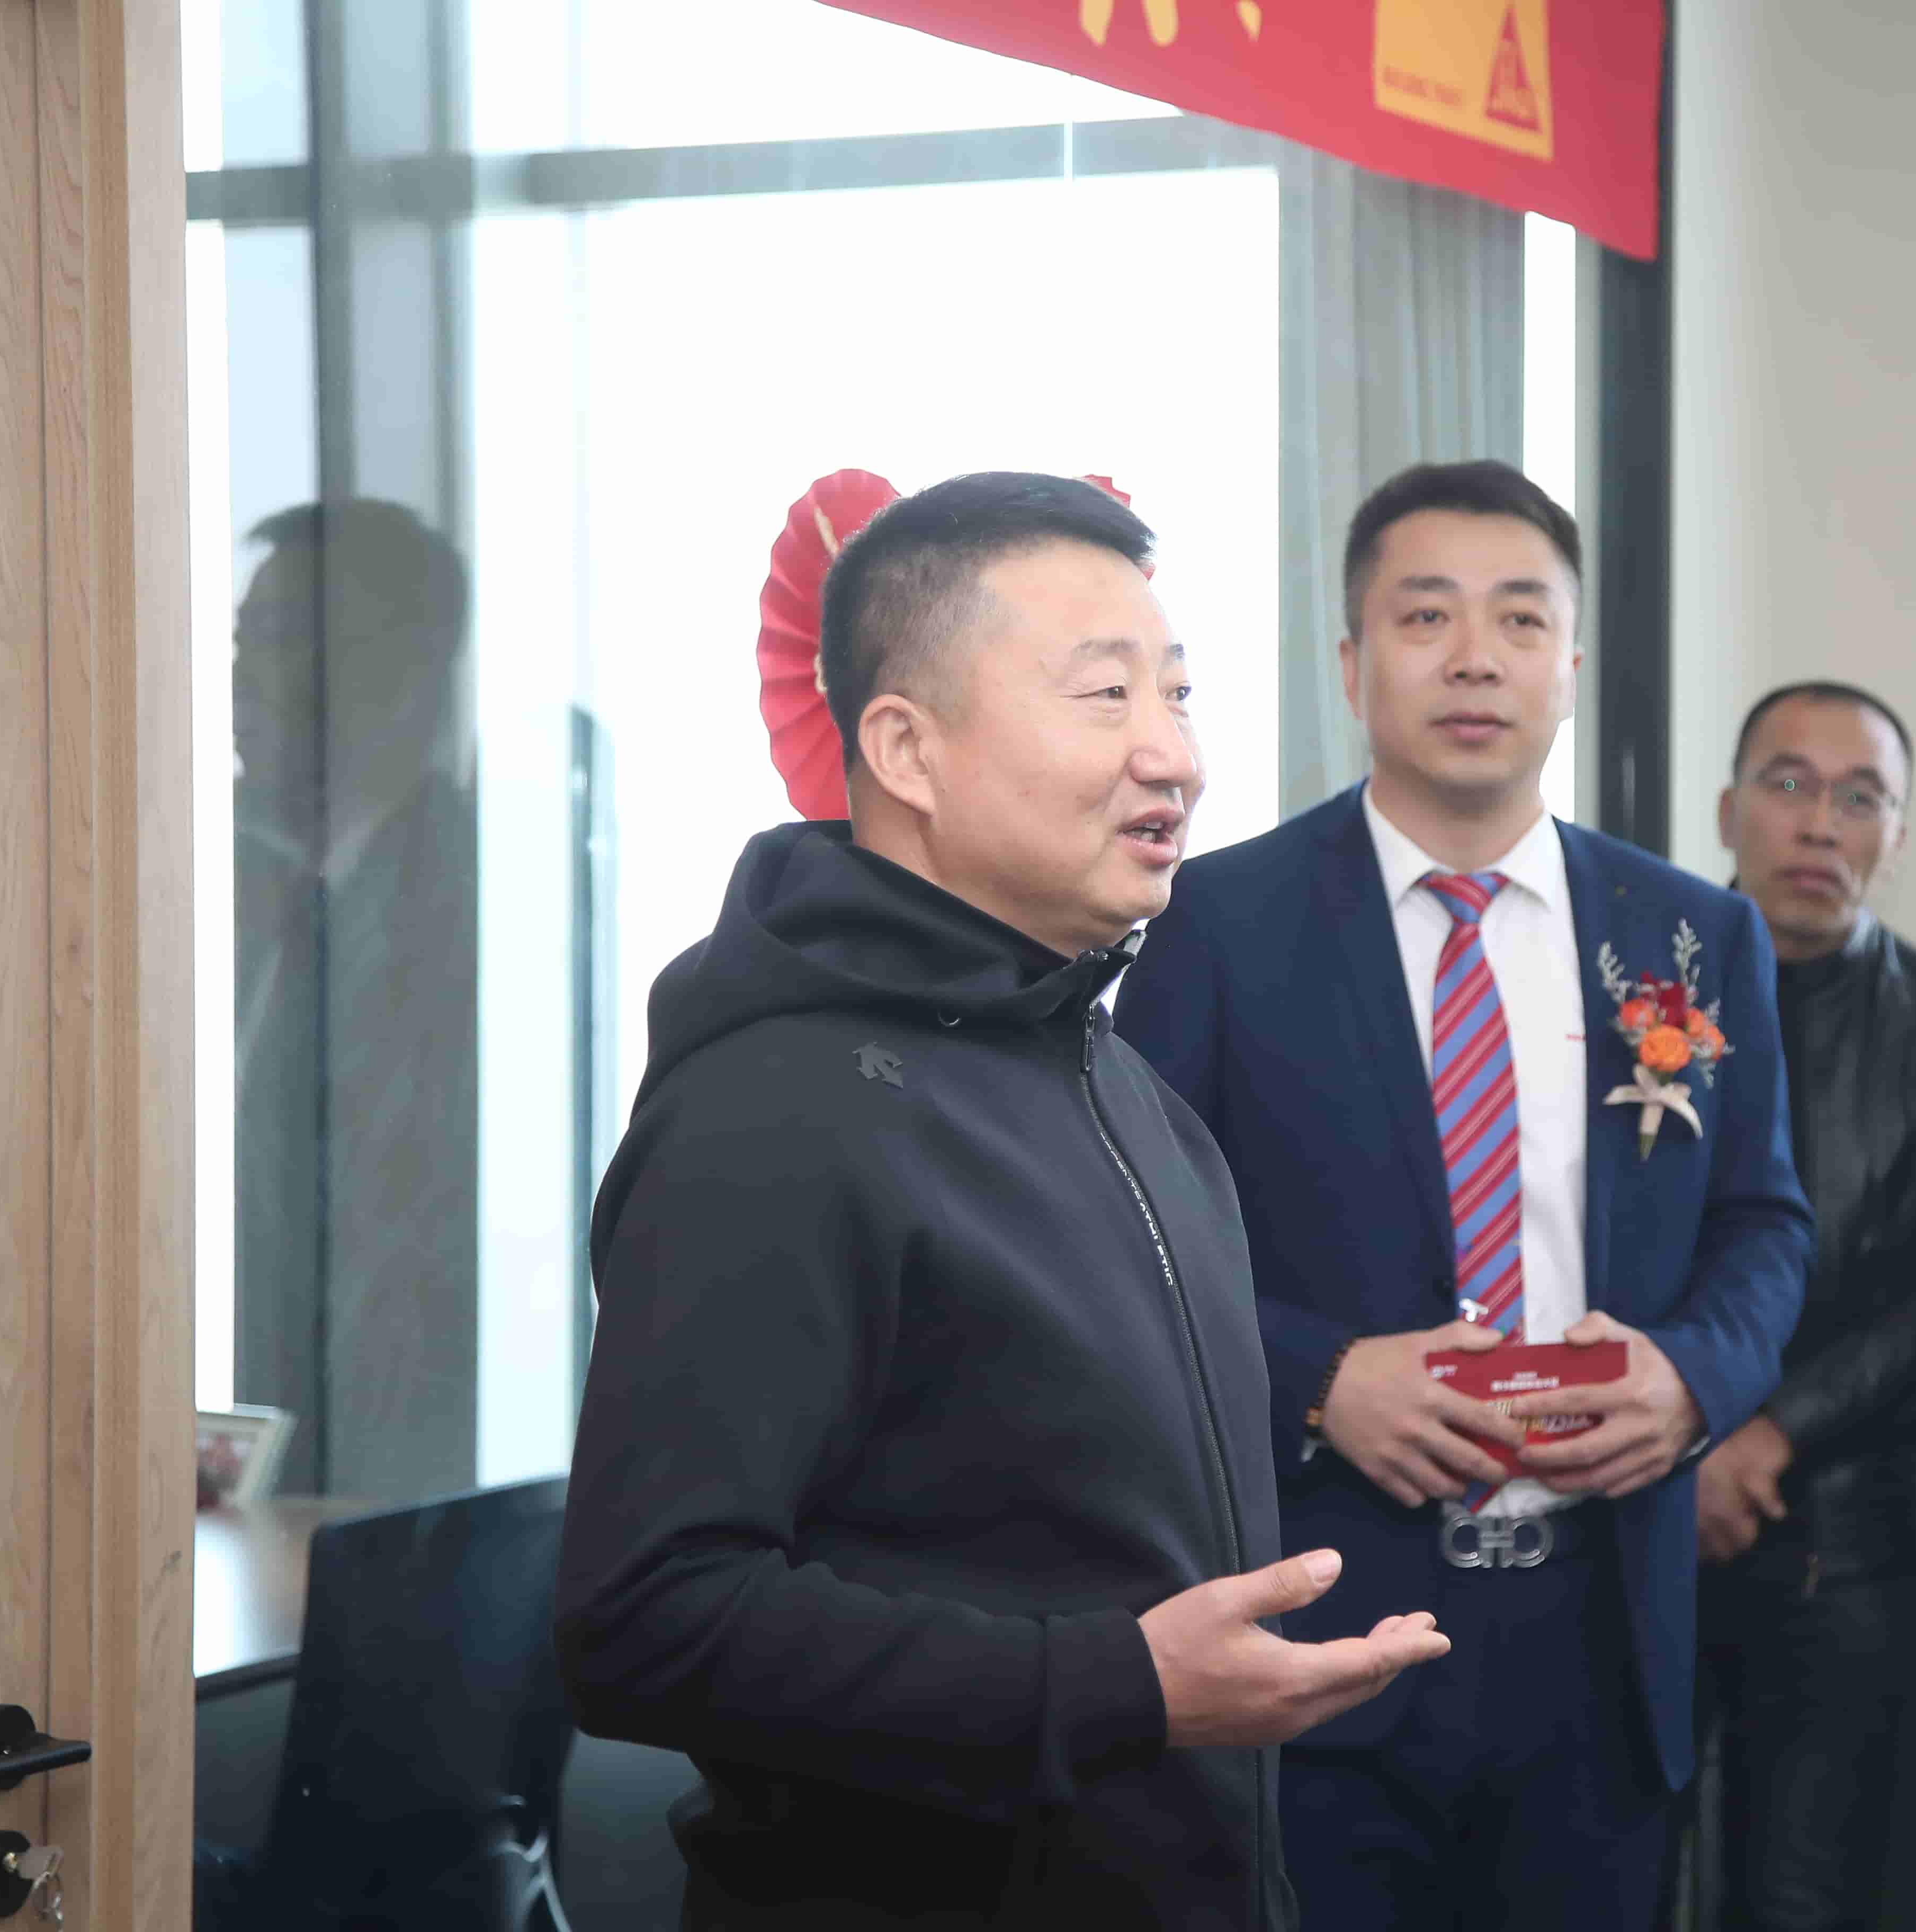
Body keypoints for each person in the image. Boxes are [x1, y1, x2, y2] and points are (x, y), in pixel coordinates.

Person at [553, 472, 1452, 1931]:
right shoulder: (773, 1110)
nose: (1173, 755)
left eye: (1178, 693)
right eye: (1105, 696)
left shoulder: (1125, 1088)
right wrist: (1119, 1685)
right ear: (905, 747)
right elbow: (643, 1624)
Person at [1116, 460, 1813, 1930]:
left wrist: (1694, 1378)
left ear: (1571, 665)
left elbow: (1764, 1224)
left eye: (1519, 618)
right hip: (1325, 1614)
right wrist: (1318, 1380)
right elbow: (1138, 1250)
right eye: (1426, 616)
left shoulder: (1692, 933)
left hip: (1603, 1626)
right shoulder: (1215, 925)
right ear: (1352, 663)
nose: (1475, 657)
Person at [1687, 683, 1916, 1931]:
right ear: (1730, 810)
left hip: (1850, 1533)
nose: (1820, 823)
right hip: (1638, 1502)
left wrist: (1770, 1436)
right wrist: (1689, 1436)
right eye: (1789, 785)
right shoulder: (1635, 985)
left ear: (1897, 835)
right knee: (1608, 1873)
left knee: (1804, 1895)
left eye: (1860, 797)